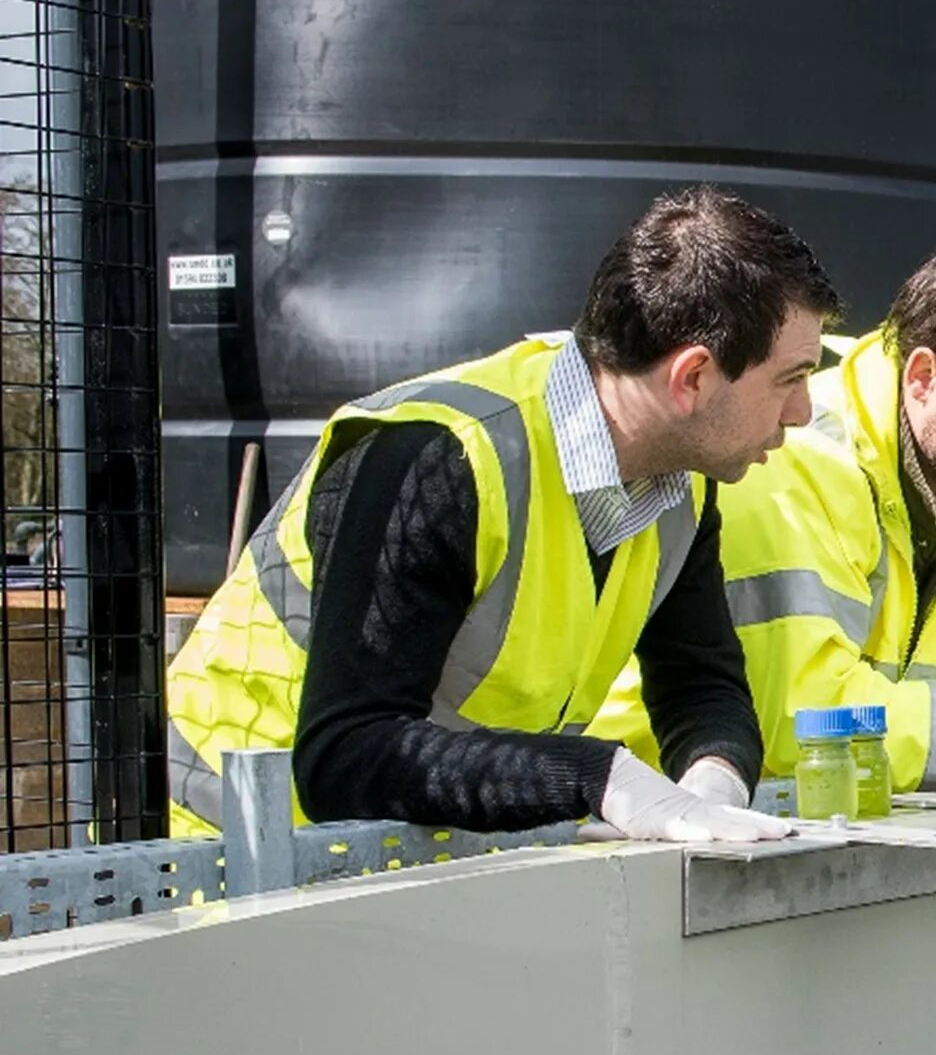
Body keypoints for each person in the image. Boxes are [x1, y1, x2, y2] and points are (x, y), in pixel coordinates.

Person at [164, 186, 838, 843]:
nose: (803, 412)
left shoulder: (683, 486)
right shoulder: (434, 456)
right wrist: (599, 778)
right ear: (691, 378)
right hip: (218, 860)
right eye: (790, 378)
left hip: (385, 861)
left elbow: (701, 684)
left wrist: (711, 782)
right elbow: (345, 753)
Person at [594, 232, 936, 791]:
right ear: (922, 378)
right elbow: (806, 721)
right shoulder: (786, 459)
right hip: (644, 825)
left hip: (834, 822)